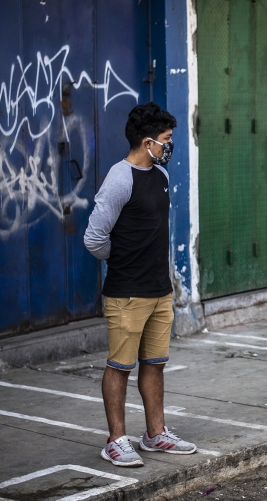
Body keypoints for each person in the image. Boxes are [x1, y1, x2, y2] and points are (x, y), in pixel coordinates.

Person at [84, 102, 197, 467]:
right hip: (127, 292)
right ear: (147, 142)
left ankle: (155, 434)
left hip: (159, 290)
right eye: (166, 140)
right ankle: (116, 440)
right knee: (120, 366)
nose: (169, 146)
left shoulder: (160, 177)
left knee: (155, 363)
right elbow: (94, 238)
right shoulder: (120, 178)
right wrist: (122, 260)